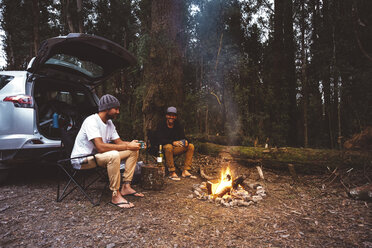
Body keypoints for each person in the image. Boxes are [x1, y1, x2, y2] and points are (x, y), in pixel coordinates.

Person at [70, 94, 144, 209]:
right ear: (107, 109)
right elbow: (100, 147)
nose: (118, 112)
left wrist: (132, 144)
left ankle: (126, 187)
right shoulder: (91, 121)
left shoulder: (109, 123)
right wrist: (127, 145)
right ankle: (115, 195)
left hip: (98, 157)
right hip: (82, 159)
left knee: (132, 151)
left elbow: (119, 143)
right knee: (113, 154)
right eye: (116, 109)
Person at [155, 106, 195, 181]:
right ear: (166, 116)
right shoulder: (161, 124)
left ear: (175, 117)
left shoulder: (177, 125)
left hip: (175, 149)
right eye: (169, 115)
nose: (171, 117)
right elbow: (159, 140)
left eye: (173, 115)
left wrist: (186, 141)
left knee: (190, 146)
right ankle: (172, 172)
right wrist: (172, 142)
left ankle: (186, 170)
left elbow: (183, 137)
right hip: (163, 150)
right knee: (168, 146)